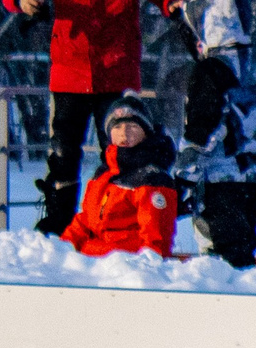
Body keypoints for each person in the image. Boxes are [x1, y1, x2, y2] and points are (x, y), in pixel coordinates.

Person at [2, 0, 187, 237]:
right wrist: (24, 1)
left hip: (117, 73)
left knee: (123, 152)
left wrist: (173, 1)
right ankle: (59, 222)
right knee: (63, 153)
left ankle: (120, 223)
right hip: (70, 72)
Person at [173, 0, 256, 268]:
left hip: (218, 176)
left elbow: (203, 127)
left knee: (218, 256)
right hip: (255, 174)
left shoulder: (211, 70)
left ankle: (226, 304)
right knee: (243, 246)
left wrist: (183, 176)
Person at [59, 101, 180, 257]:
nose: (124, 134)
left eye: (133, 127)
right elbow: (85, 221)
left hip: (124, 265)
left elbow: (155, 239)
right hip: (92, 258)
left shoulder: (152, 179)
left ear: (146, 132)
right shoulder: (104, 174)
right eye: (117, 127)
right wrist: (61, 249)